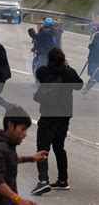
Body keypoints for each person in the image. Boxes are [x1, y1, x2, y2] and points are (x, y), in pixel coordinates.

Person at [30, 47, 83, 196]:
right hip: (64, 116)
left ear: (49, 59)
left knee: (42, 148)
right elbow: (79, 85)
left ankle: (43, 181)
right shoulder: (68, 72)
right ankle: (63, 180)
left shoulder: (44, 70)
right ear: (63, 58)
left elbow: (39, 75)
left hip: (48, 115)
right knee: (59, 146)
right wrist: (68, 67)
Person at [0, 105, 48, 205]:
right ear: (10, 125)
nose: (25, 134)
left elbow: (8, 160)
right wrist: (18, 199)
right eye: (22, 129)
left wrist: (31, 158)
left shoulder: (6, 145)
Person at [81, 28, 99, 96]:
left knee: (93, 75)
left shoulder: (95, 34)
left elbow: (90, 46)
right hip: (96, 60)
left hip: (92, 58)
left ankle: (86, 90)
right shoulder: (96, 34)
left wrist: (90, 55)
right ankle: (85, 90)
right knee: (96, 77)